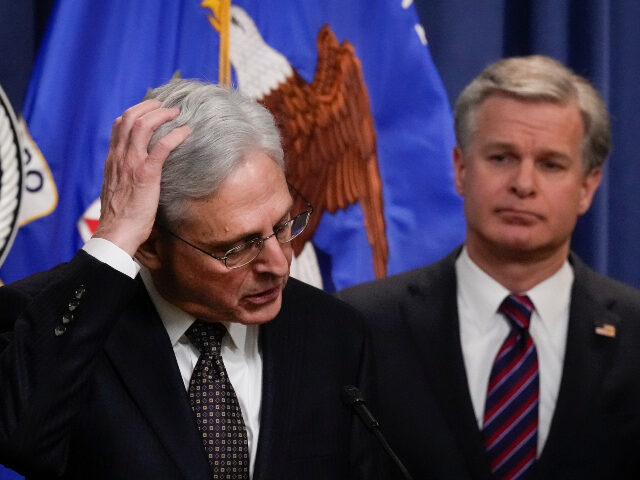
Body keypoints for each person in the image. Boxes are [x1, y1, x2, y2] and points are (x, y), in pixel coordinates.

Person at [0, 79, 381, 479]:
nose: (279, 264)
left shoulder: (336, 334)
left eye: (284, 224)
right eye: (238, 247)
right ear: (149, 245)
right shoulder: (51, 323)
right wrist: (117, 235)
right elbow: (23, 440)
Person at [340, 55, 640, 479]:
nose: (523, 183)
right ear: (461, 170)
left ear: (587, 188)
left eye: (551, 164)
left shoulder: (635, 333)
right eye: (501, 157)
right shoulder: (362, 324)